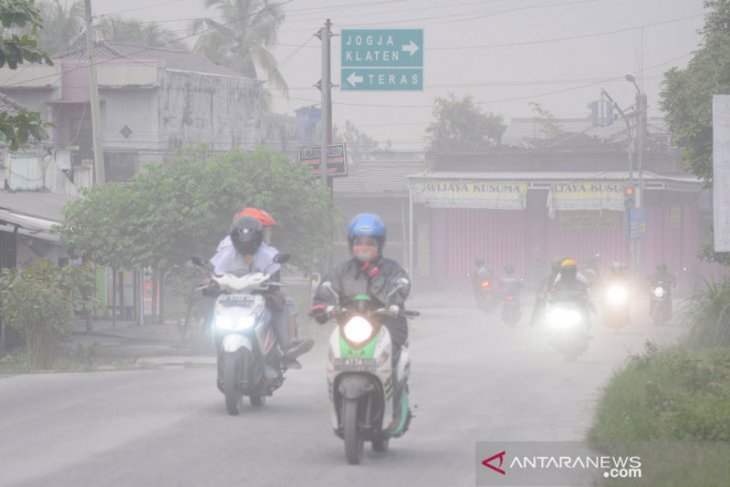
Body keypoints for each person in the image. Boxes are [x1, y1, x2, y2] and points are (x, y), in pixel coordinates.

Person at [309, 213, 411, 424]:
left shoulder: (391, 269)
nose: (364, 247)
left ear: (379, 245)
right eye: (360, 243)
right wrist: (322, 307)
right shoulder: (340, 271)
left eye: (370, 243)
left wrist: (376, 276)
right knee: (335, 359)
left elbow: (401, 287)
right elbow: (326, 291)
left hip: (386, 323)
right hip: (350, 325)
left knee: (392, 361)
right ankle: (338, 402)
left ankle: (393, 410)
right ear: (351, 244)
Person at [209, 215, 313, 368]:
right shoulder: (227, 252)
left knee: (281, 304)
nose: (246, 243)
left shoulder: (267, 253)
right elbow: (215, 273)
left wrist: (268, 282)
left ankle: (288, 345)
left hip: (260, 297)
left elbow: (275, 276)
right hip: (232, 298)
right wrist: (210, 283)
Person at [529, 257, 564, 326]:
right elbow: (542, 289)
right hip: (554, 300)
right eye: (554, 268)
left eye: (557, 267)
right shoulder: (548, 279)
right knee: (539, 302)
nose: (556, 269)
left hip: (566, 300)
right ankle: (535, 319)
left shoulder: (570, 278)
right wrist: (542, 293)